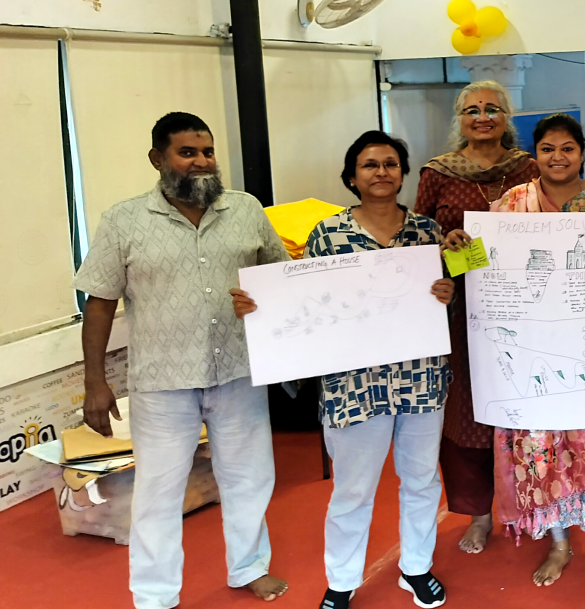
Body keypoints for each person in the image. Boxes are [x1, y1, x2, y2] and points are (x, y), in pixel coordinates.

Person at [73, 112, 291, 609]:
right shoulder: (124, 221)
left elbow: (280, 279)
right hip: (162, 381)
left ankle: (249, 567)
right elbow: (99, 303)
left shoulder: (245, 209)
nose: (201, 162)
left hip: (239, 371)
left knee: (250, 479)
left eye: (207, 151)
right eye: (187, 153)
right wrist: (95, 383)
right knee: (159, 492)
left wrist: (265, 306)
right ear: (158, 159)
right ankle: (155, 595)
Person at [230, 132, 454, 609]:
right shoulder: (328, 235)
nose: (381, 172)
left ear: (402, 172)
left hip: (421, 377)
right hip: (354, 386)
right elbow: (301, 301)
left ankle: (417, 568)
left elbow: (454, 288)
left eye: (390, 163)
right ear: (352, 177)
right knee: (353, 489)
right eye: (370, 164)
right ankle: (342, 579)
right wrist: (261, 307)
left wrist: (448, 292)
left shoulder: (427, 232)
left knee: (421, 480)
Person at [442, 113, 585, 586]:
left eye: (567, 148)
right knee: (542, 450)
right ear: (534, 155)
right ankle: (559, 542)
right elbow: (479, 270)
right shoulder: (509, 205)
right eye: (547, 149)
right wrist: (457, 249)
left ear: (582, 153)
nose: (558, 157)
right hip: (530, 353)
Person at [414, 80, 540, 554]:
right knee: (467, 412)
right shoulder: (438, 172)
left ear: (507, 117)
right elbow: (418, 236)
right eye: (472, 110)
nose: (482, 117)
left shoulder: (529, 169)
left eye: (492, 108)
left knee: (525, 402)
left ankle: (531, 502)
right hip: (462, 308)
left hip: (525, 305)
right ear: (459, 119)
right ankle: (479, 514)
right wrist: (443, 245)